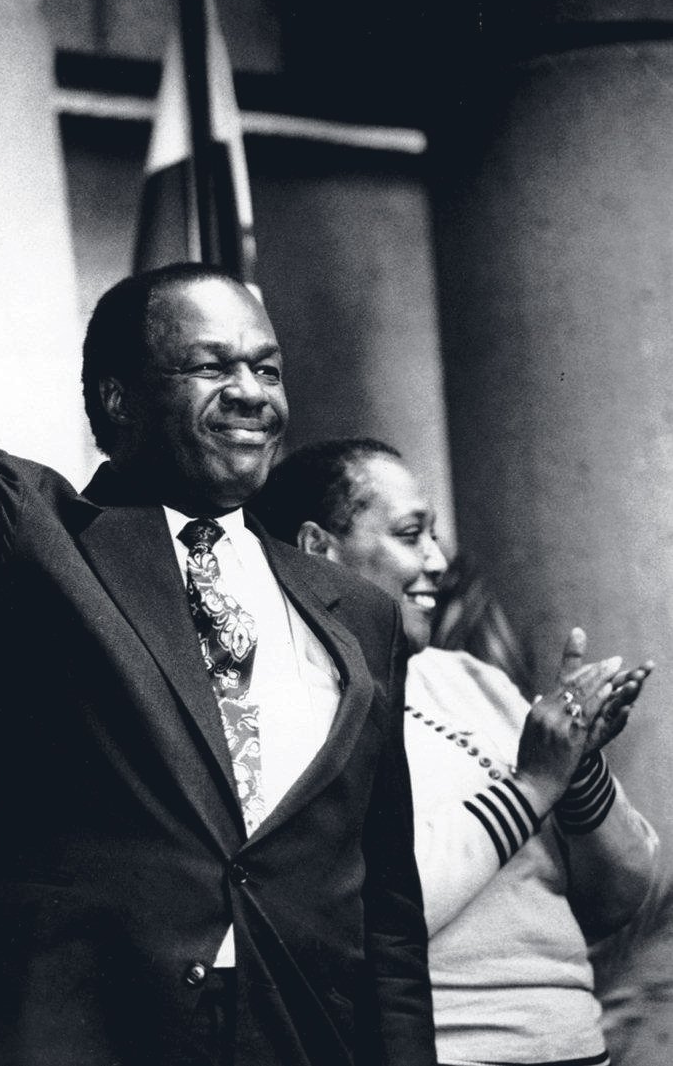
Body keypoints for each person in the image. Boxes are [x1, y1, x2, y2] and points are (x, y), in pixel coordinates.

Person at [0, 0, 431, 1065]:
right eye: (208, 366)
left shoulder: (355, 613)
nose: (251, 392)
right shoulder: (34, 543)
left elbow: (383, 920)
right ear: (116, 403)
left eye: (266, 365)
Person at [253, 438, 658, 1066]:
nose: (438, 561)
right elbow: (373, 907)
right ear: (319, 551)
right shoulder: (280, 708)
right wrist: (531, 789)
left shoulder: (469, 679)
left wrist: (579, 773)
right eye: (410, 534)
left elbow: (620, 898)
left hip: (580, 1046)